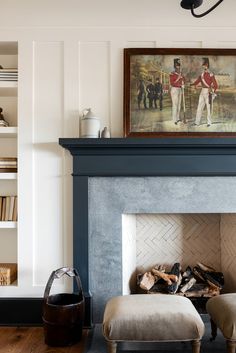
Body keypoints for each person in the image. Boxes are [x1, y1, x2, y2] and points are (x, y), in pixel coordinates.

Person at [191, 57, 218, 127]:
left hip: (208, 92)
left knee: (208, 108)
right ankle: (197, 122)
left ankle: (209, 122)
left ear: (207, 65)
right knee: (199, 106)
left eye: (205, 65)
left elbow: (216, 85)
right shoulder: (202, 74)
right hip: (202, 91)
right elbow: (197, 81)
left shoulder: (211, 74)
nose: (204, 67)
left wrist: (213, 91)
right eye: (203, 65)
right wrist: (192, 84)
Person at [169, 58, 185, 124]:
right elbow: (172, 83)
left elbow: (184, 80)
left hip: (180, 89)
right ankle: (174, 119)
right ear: (174, 67)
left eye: (179, 66)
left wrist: (183, 83)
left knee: (179, 105)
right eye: (177, 66)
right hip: (174, 89)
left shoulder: (181, 73)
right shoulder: (172, 74)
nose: (178, 67)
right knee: (175, 105)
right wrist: (180, 82)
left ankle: (178, 118)